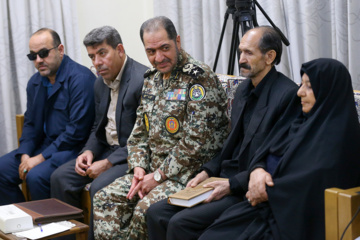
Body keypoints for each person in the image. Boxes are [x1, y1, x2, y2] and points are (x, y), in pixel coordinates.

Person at [146, 26, 298, 240]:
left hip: (244, 187)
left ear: (269, 56)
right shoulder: (243, 89)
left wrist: (231, 184)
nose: (241, 59)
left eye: (249, 53)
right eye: (240, 51)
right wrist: (207, 171)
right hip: (222, 176)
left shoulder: (288, 96)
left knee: (181, 223)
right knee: (156, 213)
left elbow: (277, 161)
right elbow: (230, 144)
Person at [92, 16, 229, 239]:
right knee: (105, 198)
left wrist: (157, 177)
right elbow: (139, 134)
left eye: (165, 48)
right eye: (151, 51)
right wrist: (138, 167)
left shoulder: (198, 78)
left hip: (188, 175)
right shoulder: (151, 79)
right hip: (150, 171)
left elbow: (196, 143)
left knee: (143, 211)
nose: (159, 57)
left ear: (177, 41)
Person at [198, 58, 360, 240]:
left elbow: (313, 185)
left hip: (295, 218)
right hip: (264, 205)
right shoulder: (299, 119)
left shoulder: (340, 138)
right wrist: (257, 170)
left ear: (328, 92)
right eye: (301, 84)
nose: (300, 92)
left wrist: (266, 191)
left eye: (309, 87)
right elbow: (265, 149)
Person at [50, 25, 148, 239]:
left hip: (131, 157)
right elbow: (97, 127)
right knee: (59, 177)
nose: (96, 63)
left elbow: (147, 138)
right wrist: (88, 152)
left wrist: (108, 163)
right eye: (92, 56)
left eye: (102, 53)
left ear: (120, 50)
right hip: (105, 149)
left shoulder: (143, 80)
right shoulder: (99, 82)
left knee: (99, 188)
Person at [0, 28, 96, 205]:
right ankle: (23, 221)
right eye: (33, 56)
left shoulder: (81, 79)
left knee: (36, 176)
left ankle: (50, 229)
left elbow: (76, 132)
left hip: (73, 148)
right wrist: (25, 155)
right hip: (45, 146)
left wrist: (39, 158)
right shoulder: (35, 82)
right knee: (1, 169)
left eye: (43, 53)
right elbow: (30, 124)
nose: (38, 60)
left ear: (60, 50)